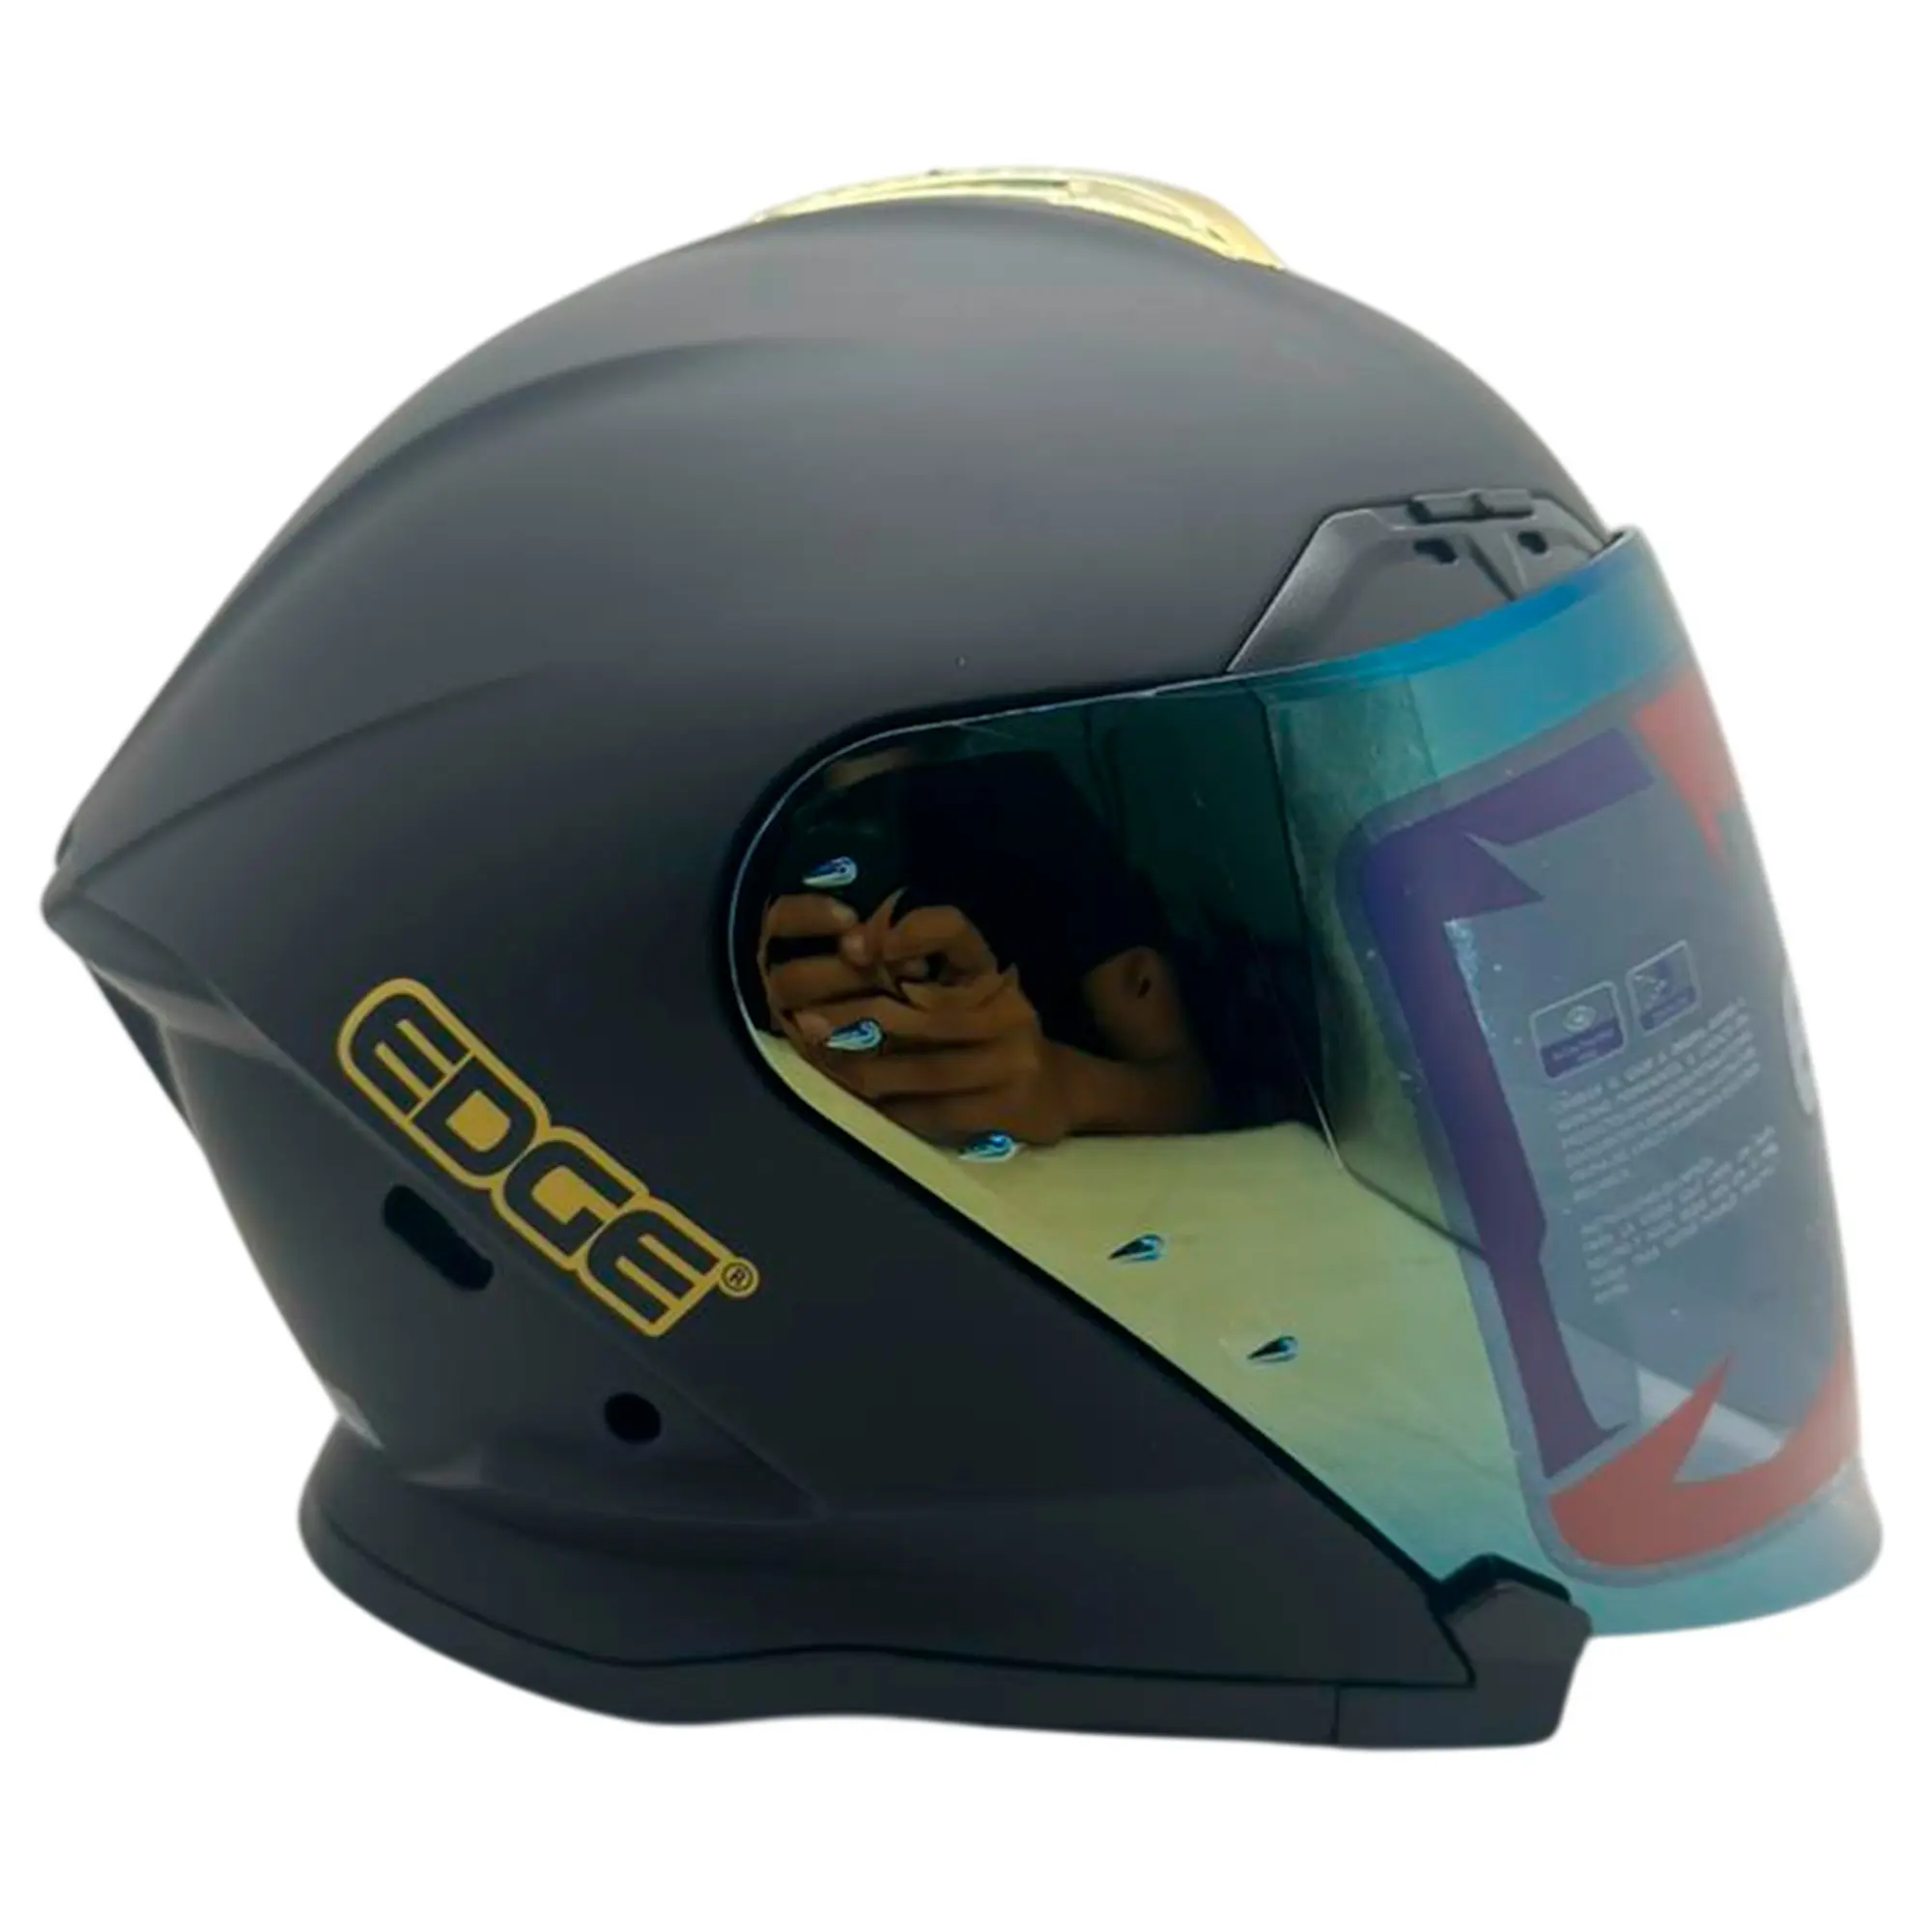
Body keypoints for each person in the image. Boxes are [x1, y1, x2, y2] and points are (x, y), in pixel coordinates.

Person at [753, 739, 1216, 1146]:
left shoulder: (1026, 803)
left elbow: (1190, 1095)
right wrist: (764, 1039)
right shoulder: (737, 834)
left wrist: (1064, 1088)